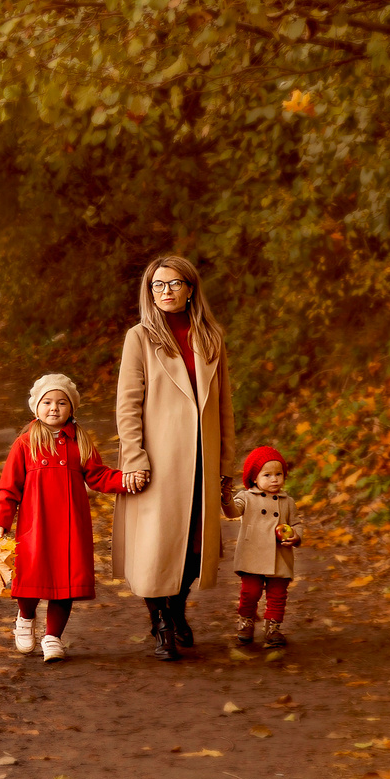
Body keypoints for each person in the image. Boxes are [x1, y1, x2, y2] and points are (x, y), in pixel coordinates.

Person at [112, 253, 240, 661]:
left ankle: (177, 608)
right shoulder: (140, 337)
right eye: (157, 286)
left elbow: (224, 407)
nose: (165, 292)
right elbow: (128, 404)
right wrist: (134, 457)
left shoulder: (211, 337)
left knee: (194, 547)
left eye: (174, 284)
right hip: (157, 458)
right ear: (149, 293)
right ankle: (161, 623)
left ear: (190, 289)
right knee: (156, 545)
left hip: (202, 458)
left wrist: (225, 467)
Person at [0, 373, 140, 663]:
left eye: (61, 402)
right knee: (31, 575)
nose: (54, 408)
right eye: (47, 402)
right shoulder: (25, 443)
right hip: (36, 524)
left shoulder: (80, 442)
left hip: (71, 525)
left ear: (72, 408)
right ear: (36, 407)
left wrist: (126, 479)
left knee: (65, 581)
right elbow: (9, 487)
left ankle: (52, 636)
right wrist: (1, 521)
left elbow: (98, 475)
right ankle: (25, 617)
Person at [231, 445, 300, 648]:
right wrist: (225, 496)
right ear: (254, 478)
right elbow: (233, 511)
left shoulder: (288, 502)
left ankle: (273, 628)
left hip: (280, 555)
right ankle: (246, 620)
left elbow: (296, 524)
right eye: (267, 475)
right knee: (250, 592)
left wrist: (296, 536)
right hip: (253, 554)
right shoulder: (246, 498)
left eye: (279, 474)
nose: (275, 479)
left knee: (278, 595)